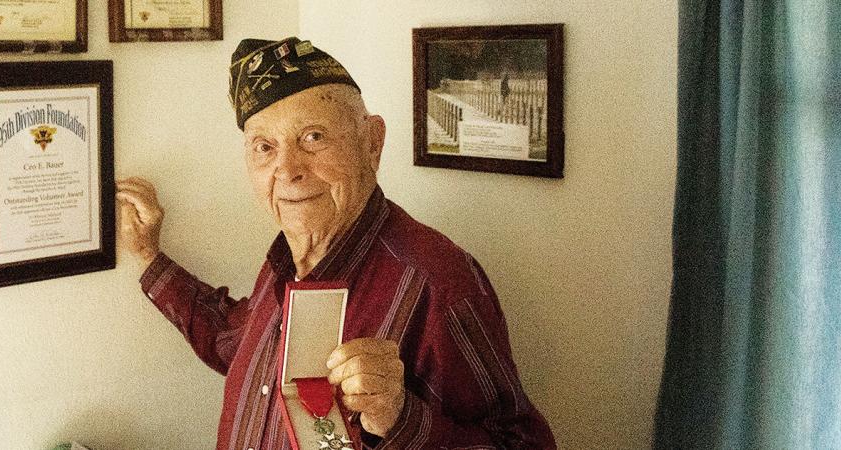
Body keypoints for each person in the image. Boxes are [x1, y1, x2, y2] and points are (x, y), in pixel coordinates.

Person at [116, 37, 556, 449]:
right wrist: (148, 256)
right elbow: (234, 342)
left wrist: (401, 418)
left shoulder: (439, 282)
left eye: (314, 137)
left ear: (372, 143)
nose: (287, 170)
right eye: (264, 147)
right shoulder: (287, 256)